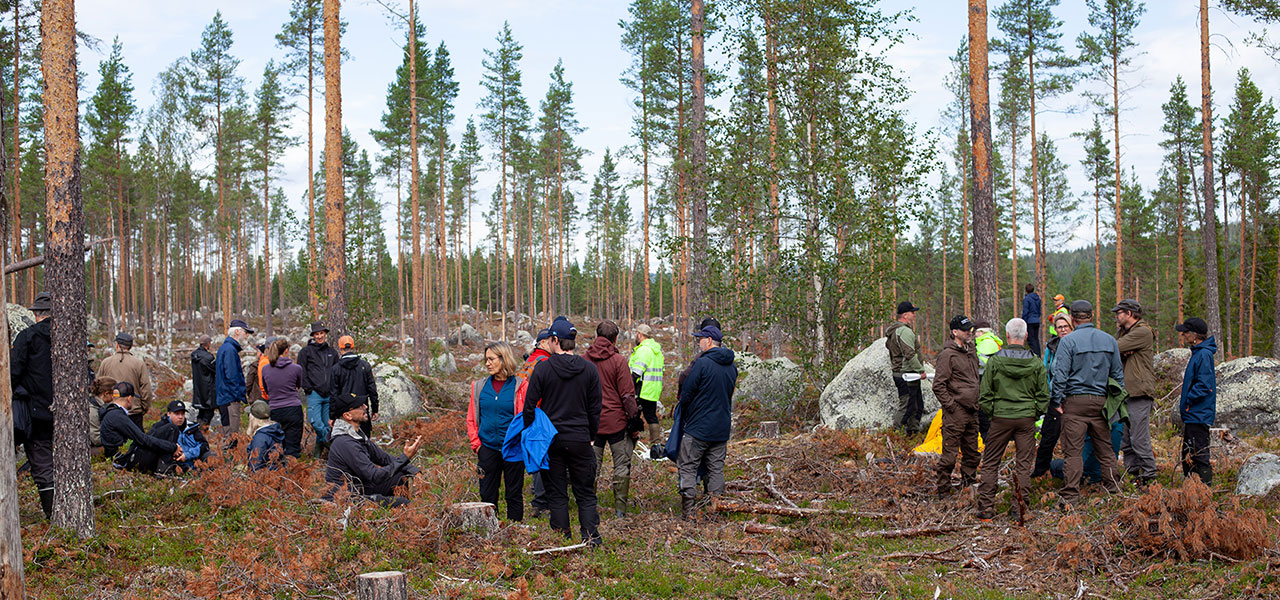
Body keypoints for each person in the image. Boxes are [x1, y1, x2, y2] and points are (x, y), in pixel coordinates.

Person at [520, 318, 603, 545]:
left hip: (551, 440)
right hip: (580, 438)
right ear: (572, 341)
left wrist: (532, 433)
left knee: (557, 494)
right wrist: (591, 436)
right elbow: (595, 408)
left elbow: (529, 406)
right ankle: (591, 539)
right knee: (585, 493)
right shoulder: (589, 369)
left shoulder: (543, 369)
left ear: (554, 340)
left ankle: (562, 540)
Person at [1050, 300, 1123, 508]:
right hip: (1101, 401)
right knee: (1105, 449)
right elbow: (1118, 376)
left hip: (1074, 402)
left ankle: (1071, 496)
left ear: (1072, 319)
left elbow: (1060, 374)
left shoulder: (1068, 342)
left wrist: (1057, 400)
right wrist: (1113, 402)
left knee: (1073, 452)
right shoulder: (1109, 341)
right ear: (1092, 315)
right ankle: (1114, 490)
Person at [976, 318, 1047, 521]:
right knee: (1023, 465)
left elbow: (985, 394)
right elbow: (1043, 395)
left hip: (1000, 418)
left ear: (1007, 336)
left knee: (990, 463)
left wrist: (993, 414)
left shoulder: (995, 361)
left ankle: (986, 509)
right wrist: (1033, 414)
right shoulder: (1035, 362)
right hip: (1025, 419)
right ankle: (1019, 510)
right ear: (1026, 336)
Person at [674, 324, 737, 519]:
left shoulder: (702, 364)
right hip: (721, 427)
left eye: (700, 339)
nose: (698, 342)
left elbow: (687, 393)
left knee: (688, 466)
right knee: (716, 468)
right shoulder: (732, 366)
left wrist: (684, 409)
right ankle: (716, 509)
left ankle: (688, 512)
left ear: (709, 341)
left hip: (698, 427)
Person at [325, 393, 422, 507]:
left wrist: (414, 471)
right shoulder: (345, 443)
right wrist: (405, 457)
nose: (365, 407)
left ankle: (401, 517)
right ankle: (403, 514)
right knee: (404, 504)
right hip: (346, 499)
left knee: (399, 475)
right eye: (359, 406)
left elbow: (385, 458)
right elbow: (374, 476)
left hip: (362, 488)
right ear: (347, 415)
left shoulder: (357, 436)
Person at [466, 341, 527, 521]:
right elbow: (471, 418)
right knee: (487, 495)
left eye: (491, 359)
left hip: (513, 449)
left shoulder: (520, 386)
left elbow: (526, 418)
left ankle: (514, 531)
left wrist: (521, 442)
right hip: (487, 449)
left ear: (504, 359)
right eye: (486, 359)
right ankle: (490, 533)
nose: (487, 363)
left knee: (513, 494)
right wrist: (477, 445)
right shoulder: (478, 387)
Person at [587, 321, 640, 518]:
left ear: (596, 336)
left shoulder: (584, 360)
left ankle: (588, 506)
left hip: (592, 424)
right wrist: (634, 421)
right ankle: (620, 510)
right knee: (621, 464)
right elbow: (627, 396)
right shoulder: (619, 361)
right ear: (615, 339)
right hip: (616, 423)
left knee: (592, 465)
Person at [11, 291, 55, 518]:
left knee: (41, 461)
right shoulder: (69, 339)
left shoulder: (27, 337)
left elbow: (12, 373)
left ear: (37, 314)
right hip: (64, 414)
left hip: (33, 413)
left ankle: (53, 514)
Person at [933, 315, 981, 498]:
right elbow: (938, 385)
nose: (969, 331)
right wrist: (951, 406)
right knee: (949, 456)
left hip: (972, 410)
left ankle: (968, 488)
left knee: (972, 453)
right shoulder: (947, 355)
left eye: (970, 328)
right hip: (956, 413)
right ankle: (943, 492)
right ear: (954, 332)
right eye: (965, 329)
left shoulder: (971, 351)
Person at [1112, 299, 1157, 486]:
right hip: (1127, 393)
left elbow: (1114, 347)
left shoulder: (1142, 332)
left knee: (1139, 438)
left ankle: (1149, 475)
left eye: (1119, 313)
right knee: (1126, 439)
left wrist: (1122, 349)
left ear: (1129, 314)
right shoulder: (1126, 333)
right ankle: (1132, 474)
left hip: (1139, 392)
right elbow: (1117, 348)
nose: (1116, 316)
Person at [100, 382, 185, 471]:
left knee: (158, 437)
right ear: (129, 398)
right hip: (124, 462)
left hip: (120, 458)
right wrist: (172, 447)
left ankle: (167, 468)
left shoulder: (112, 413)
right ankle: (165, 472)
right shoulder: (118, 416)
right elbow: (143, 439)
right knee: (171, 429)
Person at [1031, 313, 1074, 478]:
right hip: (1055, 398)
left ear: (1071, 326)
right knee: (1048, 437)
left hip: (1072, 399)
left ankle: (1072, 472)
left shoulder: (1077, 345)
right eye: (1059, 327)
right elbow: (1045, 371)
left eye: (1065, 326)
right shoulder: (1052, 346)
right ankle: (1040, 473)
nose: (1062, 330)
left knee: (1072, 439)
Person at [518, 328, 554, 517]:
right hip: (540, 413)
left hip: (526, 413)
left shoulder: (529, 361)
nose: (554, 344)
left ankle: (537, 495)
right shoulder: (545, 362)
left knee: (536, 454)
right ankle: (540, 504)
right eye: (550, 341)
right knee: (542, 456)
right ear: (542, 343)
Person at [1176, 317, 1216, 485]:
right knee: (1188, 453)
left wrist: (1189, 400)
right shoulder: (1198, 352)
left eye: (1185, 332)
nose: (1183, 335)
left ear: (1194, 335)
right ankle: (1191, 489)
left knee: (1198, 453)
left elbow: (1205, 385)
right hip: (1194, 413)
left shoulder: (1204, 354)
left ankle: (1204, 489)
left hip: (1198, 413)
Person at [297, 322, 340, 458]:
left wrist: (335, 389)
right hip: (314, 393)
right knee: (315, 422)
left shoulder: (332, 352)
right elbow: (301, 371)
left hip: (329, 394)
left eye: (322, 333)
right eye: (317, 334)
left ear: (325, 334)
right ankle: (332, 447)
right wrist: (308, 387)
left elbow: (337, 371)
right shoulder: (305, 352)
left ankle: (317, 457)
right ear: (313, 335)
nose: (320, 336)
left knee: (327, 425)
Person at [132, 400, 209, 474]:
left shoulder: (192, 427)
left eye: (182, 414)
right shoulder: (160, 428)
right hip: (172, 464)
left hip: (193, 461)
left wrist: (187, 455)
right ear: (169, 414)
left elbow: (204, 446)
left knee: (210, 456)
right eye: (177, 414)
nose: (180, 417)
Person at [96, 332, 154, 429]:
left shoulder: (105, 363)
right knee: (136, 441)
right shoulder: (138, 364)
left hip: (111, 411)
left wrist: (101, 407)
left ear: (117, 345)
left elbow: (97, 387)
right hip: (133, 411)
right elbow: (146, 390)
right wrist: (142, 408)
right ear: (130, 346)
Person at [886, 301, 927, 434]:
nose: (914, 315)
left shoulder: (897, 330)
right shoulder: (904, 331)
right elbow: (909, 354)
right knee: (907, 407)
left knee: (916, 406)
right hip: (907, 374)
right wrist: (921, 370)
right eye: (912, 312)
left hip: (907, 373)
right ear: (905, 315)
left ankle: (912, 434)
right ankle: (895, 434)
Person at [261, 338, 305, 459]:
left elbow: (266, 388)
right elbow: (298, 385)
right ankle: (293, 473)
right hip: (293, 409)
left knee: (277, 445)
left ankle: (278, 473)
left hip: (275, 409)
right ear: (286, 351)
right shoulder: (296, 368)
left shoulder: (266, 369)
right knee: (293, 446)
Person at [628, 323, 666, 459]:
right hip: (653, 390)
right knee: (651, 417)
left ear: (639, 334)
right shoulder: (657, 351)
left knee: (633, 417)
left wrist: (628, 387)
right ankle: (656, 447)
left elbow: (636, 373)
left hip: (641, 389)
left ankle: (629, 446)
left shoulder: (643, 350)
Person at [330, 336, 379, 438]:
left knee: (346, 442)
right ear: (353, 347)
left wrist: (332, 416)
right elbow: (372, 390)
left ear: (340, 348)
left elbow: (333, 395)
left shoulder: (336, 369)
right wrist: (375, 409)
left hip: (345, 414)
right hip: (362, 410)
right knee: (364, 442)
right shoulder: (365, 366)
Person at [215, 320, 255, 436]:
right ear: (237, 332)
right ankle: (228, 455)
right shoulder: (229, 350)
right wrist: (238, 396)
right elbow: (231, 377)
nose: (247, 335)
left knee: (230, 434)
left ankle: (228, 454)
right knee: (231, 436)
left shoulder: (227, 348)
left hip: (227, 398)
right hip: (229, 400)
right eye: (245, 332)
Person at [973, 321, 1004, 436]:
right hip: (988, 377)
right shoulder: (989, 341)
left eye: (975, 332)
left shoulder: (987, 342)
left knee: (983, 409)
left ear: (981, 332)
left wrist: (971, 359)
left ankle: (985, 436)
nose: (974, 335)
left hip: (985, 377)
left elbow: (984, 361)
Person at [246, 400, 286, 471]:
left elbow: (255, 465)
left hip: (265, 477)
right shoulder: (274, 430)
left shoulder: (260, 438)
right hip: (276, 474)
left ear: (253, 418)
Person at [190, 336, 217, 427]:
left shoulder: (194, 355)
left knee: (201, 413)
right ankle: (202, 433)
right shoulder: (208, 357)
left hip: (198, 390)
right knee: (208, 414)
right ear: (208, 343)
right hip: (208, 390)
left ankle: (197, 430)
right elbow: (216, 369)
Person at [1022, 284, 1042, 355]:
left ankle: (1035, 356)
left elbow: (1025, 311)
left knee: (1031, 340)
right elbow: (1039, 311)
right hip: (1036, 320)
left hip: (1030, 321)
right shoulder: (1038, 299)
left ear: (1026, 290)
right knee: (1036, 340)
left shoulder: (1027, 299)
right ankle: (1038, 355)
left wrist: (1023, 321)